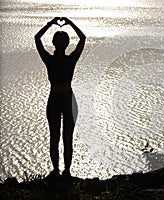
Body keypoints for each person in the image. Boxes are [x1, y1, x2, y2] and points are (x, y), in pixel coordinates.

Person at [35, 17, 86, 180]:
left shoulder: (49, 59)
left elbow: (37, 38)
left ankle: (58, 170)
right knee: (66, 138)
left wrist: (51, 23)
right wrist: (69, 23)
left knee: (55, 136)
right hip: (67, 99)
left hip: (56, 99)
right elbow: (83, 38)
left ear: (55, 43)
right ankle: (66, 172)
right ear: (66, 44)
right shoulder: (71, 59)